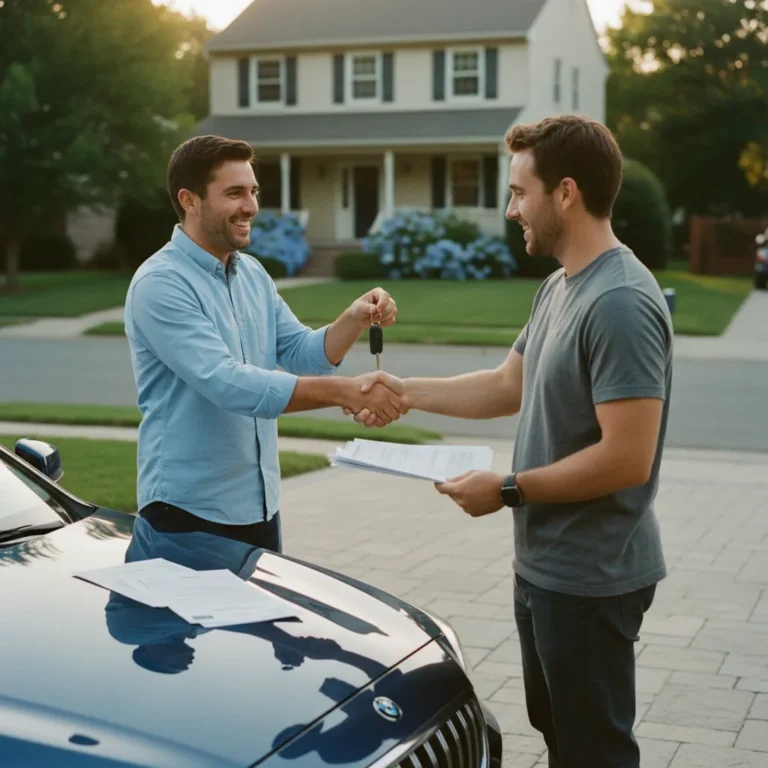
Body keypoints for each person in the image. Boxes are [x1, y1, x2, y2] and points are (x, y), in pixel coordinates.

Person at [351, 115, 673, 767]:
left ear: (566, 193)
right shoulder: (560, 287)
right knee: (561, 736)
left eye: (520, 192)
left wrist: (506, 490)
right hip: (546, 567)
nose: (510, 209)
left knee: (594, 751)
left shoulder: (620, 301)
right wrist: (405, 391)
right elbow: (505, 385)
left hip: (593, 573)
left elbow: (627, 457)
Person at [124, 134, 407, 554]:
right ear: (189, 200)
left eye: (253, 191)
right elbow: (228, 383)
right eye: (235, 193)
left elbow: (302, 355)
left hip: (260, 510)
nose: (251, 206)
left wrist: (353, 318)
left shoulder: (252, 274)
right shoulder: (161, 284)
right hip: (186, 517)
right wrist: (345, 392)